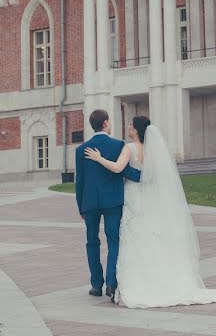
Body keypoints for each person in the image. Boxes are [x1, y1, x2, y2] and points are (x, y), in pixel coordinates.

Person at [84, 115, 216, 308]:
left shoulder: (130, 147)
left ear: (135, 130)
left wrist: (99, 158)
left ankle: (136, 283)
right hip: (150, 197)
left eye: (130, 125)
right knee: (152, 234)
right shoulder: (153, 149)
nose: (127, 127)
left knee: (134, 236)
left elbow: (118, 168)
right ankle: (161, 279)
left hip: (134, 198)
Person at [74, 109, 142, 301]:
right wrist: (147, 177)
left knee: (92, 242)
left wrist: (81, 206)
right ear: (105, 123)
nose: (110, 124)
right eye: (109, 121)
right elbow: (125, 171)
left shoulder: (81, 150)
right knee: (114, 241)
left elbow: (80, 182)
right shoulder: (117, 144)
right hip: (113, 201)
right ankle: (112, 283)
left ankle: (96, 285)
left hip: (90, 203)